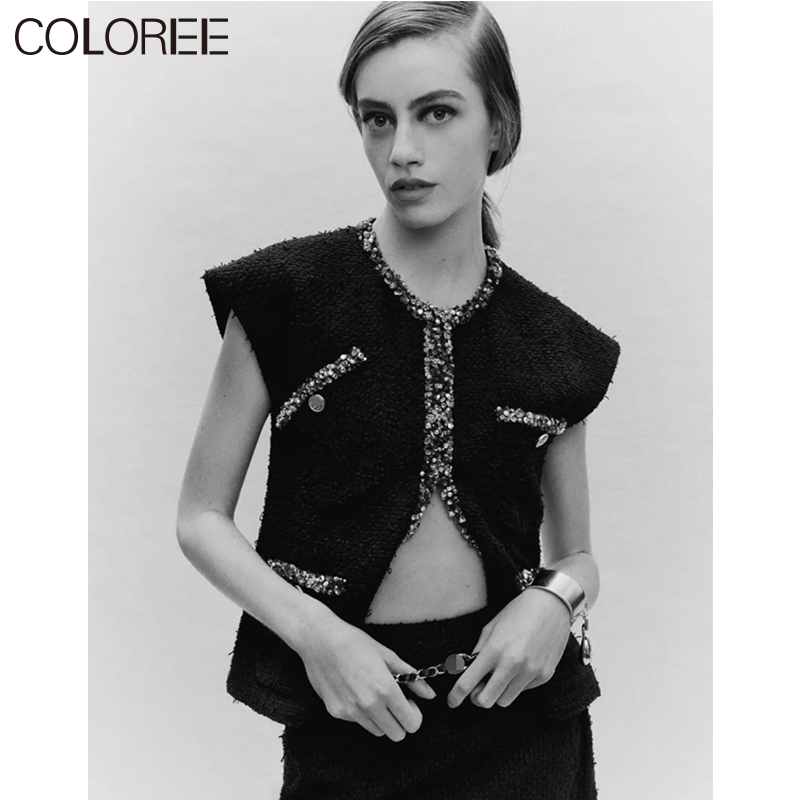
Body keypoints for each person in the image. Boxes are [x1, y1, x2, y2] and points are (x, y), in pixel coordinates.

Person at [177, 2, 621, 798]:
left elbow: (577, 556)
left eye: (437, 113)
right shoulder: (285, 299)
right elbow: (200, 518)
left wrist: (555, 604)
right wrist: (318, 637)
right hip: (349, 712)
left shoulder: (558, 344)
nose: (402, 150)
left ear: (499, 124)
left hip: (523, 724)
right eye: (376, 119)